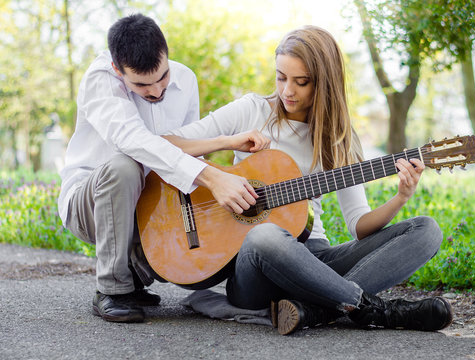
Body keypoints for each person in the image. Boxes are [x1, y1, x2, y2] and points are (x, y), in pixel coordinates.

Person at [168, 25, 453, 335]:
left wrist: (401, 196)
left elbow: (358, 225)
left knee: (426, 230)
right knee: (265, 235)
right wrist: (227, 142)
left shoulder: (338, 139)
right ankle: (371, 309)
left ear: (324, 82)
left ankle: (316, 309)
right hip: (255, 267)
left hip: (313, 257)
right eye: (281, 78)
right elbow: (166, 143)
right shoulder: (251, 111)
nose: (287, 91)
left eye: (301, 82)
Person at [58, 14, 269, 323]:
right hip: (91, 206)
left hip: (147, 204)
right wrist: (211, 176)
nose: (156, 91)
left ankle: (135, 273)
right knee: (125, 167)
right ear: (118, 70)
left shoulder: (186, 79)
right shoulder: (99, 79)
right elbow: (136, 142)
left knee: (188, 199)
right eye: (142, 85)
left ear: (167, 55)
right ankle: (112, 289)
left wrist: (225, 144)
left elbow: (176, 145)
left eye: (162, 76)